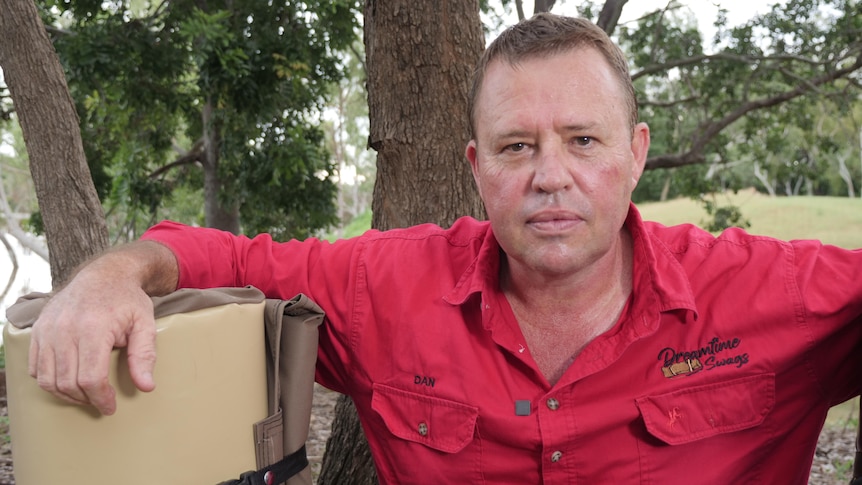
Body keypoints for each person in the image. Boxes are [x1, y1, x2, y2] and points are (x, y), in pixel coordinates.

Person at [26, 13, 862, 483]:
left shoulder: (774, 292)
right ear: (476, 165)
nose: (551, 178)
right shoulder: (384, 286)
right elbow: (217, 257)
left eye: (583, 140)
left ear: (637, 151)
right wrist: (111, 274)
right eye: (516, 147)